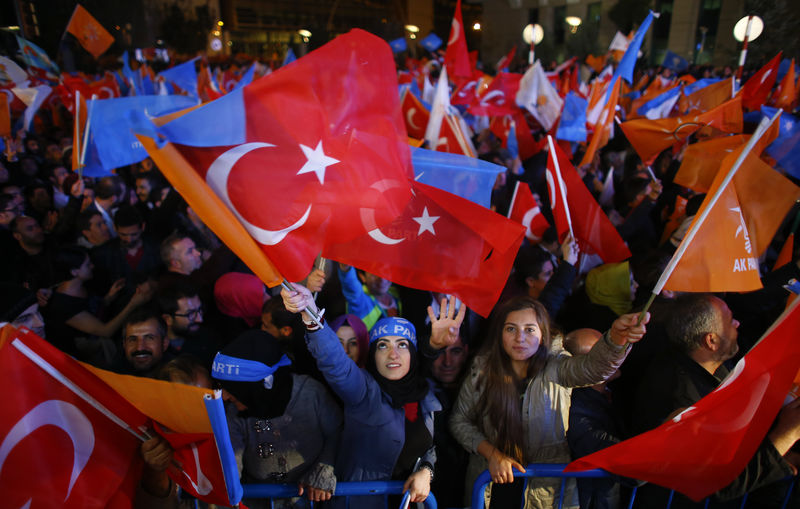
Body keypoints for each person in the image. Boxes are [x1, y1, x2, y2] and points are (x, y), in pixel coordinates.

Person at [449, 296, 649, 509]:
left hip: (546, 490)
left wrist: (616, 340)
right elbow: (459, 421)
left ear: (543, 333)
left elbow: (594, 369)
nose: (520, 338)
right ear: (499, 334)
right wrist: (492, 454)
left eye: (530, 329)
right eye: (510, 329)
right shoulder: (482, 369)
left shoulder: (558, 366)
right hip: (491, 484)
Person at [281, 283, 446, 507]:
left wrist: (427, 471)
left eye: (402, 344)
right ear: (372, 355)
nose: (393, 354)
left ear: (413, 354)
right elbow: (336, 364)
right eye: (382, 346)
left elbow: (428, 449)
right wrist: (311, 314)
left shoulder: (424, 396)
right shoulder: (364, 391)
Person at [632, 293, 800, 508]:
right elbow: (718, 482)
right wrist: (786, 435)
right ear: (711, 341)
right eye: (730, 321)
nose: (737, 323)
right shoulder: (681, 399)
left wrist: (781, 457)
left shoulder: (709, 368)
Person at [212, 329, 342, 509]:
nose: (224, 396)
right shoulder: (234, 413)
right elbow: (231, 464)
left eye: (231, 388)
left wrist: (325, 467)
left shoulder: (311, 394)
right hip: (259, 501)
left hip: (311, 499)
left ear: (256, 386)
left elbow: (337, 432)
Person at [45, 246, 153, 361]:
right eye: (87, 265)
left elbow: (91, 310)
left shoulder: (83, 284)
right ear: (74, 271)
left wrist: (109, 298)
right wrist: (133, 304)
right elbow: (105, 331)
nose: (92, 266)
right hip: (92, 356)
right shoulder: (64, 304)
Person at [117, 307, 172, 377]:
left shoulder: (180, 378)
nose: (140, 348)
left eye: (149, 338)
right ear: (124, 344)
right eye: (132, 340)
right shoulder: (111, 378)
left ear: (164, 343)